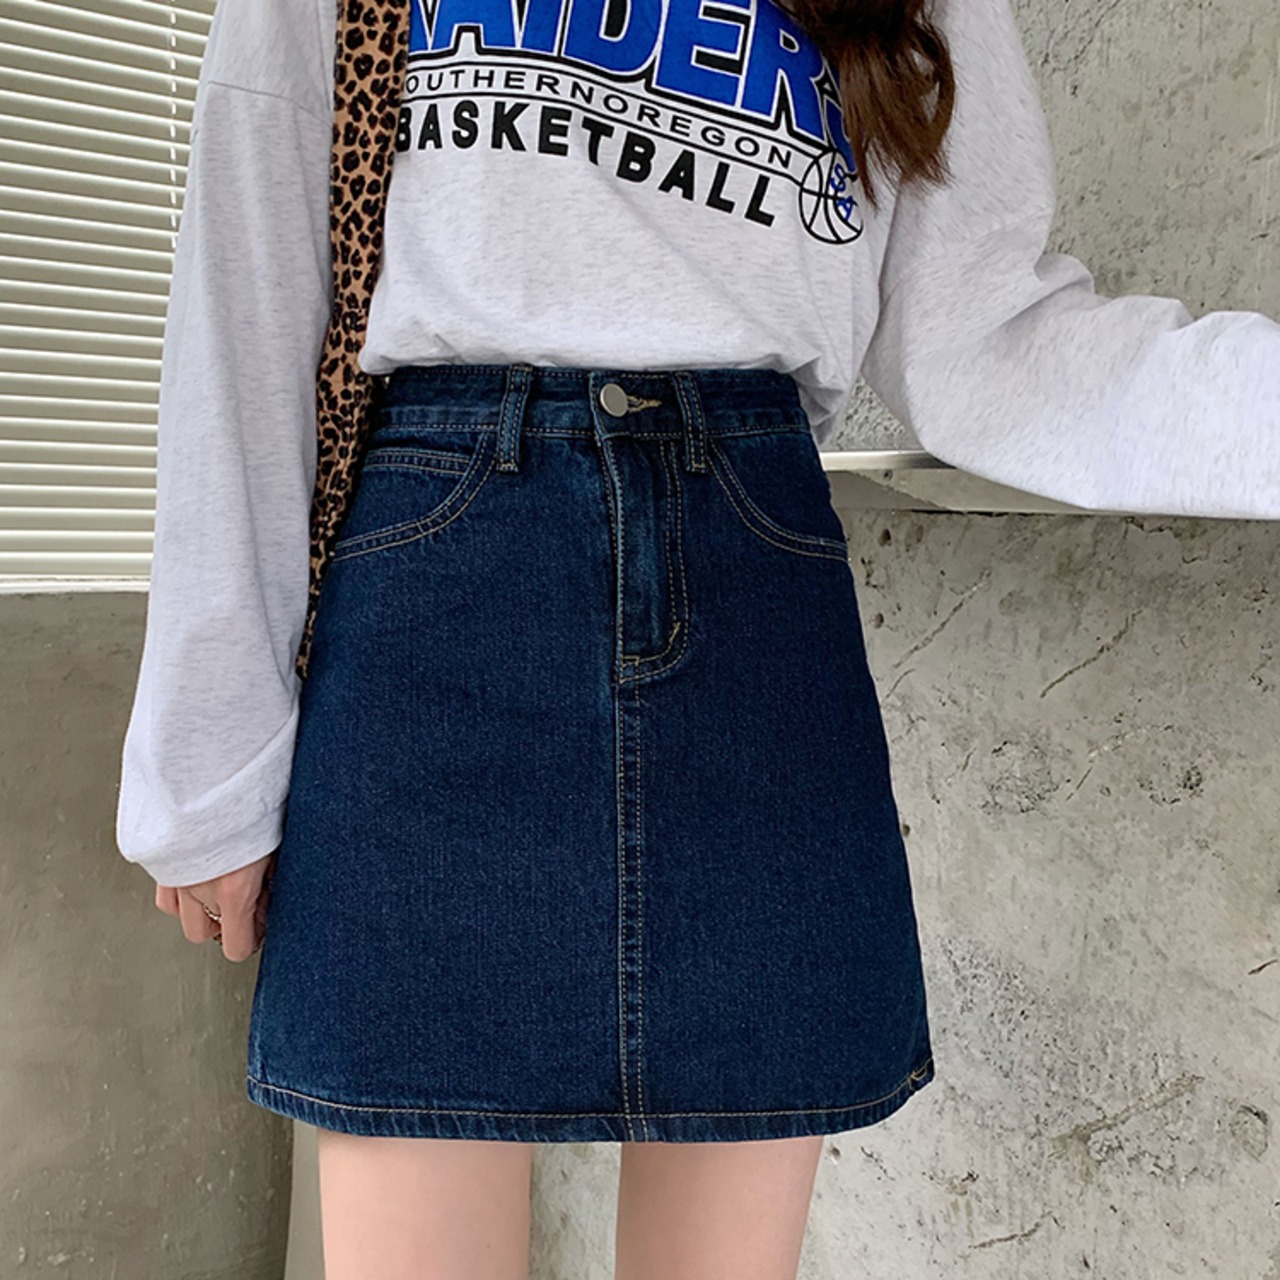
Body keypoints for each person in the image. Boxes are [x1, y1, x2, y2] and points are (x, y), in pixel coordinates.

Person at [114, 0, 1279, 1274]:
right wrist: (207, 755)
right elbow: (247, 291)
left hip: (753, 604)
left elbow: (988, 336)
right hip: (435, 598)